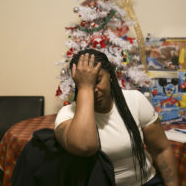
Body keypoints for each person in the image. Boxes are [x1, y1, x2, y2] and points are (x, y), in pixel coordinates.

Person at [54, 49, 179, 186]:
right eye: (84, 84)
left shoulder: (135, 100)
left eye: (97, 80)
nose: (93, 89)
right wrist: (85, 88)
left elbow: (161, 150)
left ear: (110, 76)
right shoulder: (67, 114)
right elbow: (85, 147)